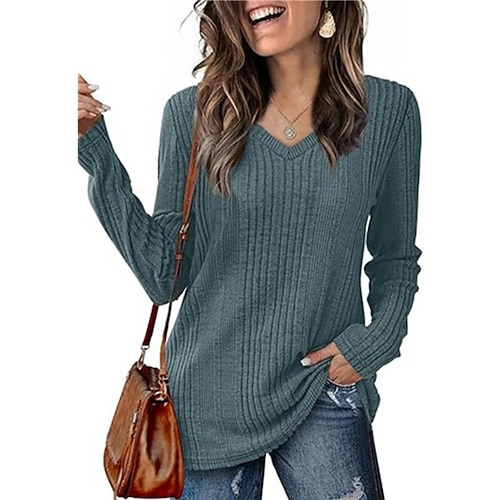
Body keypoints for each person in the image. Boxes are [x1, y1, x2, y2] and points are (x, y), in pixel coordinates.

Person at [77, 1, 422, 498]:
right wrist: (93, 147)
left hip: (320, 384)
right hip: (207, 401)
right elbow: (163, 275)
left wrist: (375, 342)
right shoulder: (193, 114)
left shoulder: (388, 111)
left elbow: (395, 257)